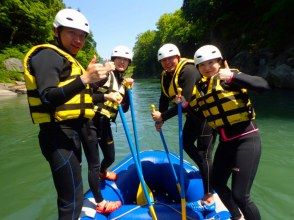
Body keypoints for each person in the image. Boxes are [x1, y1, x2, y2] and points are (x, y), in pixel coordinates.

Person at [23, 8, 121, 219]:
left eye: (82, 36)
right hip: (57, 135)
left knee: (74, 196)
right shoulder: (47, 55)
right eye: (72, 33)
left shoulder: (66, 59)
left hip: (70, 134)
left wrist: (100, 91)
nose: (78, 40)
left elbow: (79, 99)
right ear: (56, 31)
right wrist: (86, 79)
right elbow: (48, 96)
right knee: (71, 201)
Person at [191, 44, 271, 220]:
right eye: (202, 65)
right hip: (226, 143)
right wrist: (165, 115)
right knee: (218, 183)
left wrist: (235, 76)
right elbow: (194, 109)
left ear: (220, 62)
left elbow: (263, 86)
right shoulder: (202, 87)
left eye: (211, 62)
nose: (207, 67)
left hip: (247, 140)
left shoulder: (230, 77)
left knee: (241, 196)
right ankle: (237, 217)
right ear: (198, 68)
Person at [151, 43, 217, 210]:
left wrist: (163, 116)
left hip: (206, 116)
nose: (167, 62)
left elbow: (184, 100)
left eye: (170, 59)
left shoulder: (188, 71)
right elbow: (164, 98)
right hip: (193, 117)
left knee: (204, 153)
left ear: (178, 58)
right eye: (163, 60)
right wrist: (160, 120)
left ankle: (209, 192)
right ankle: (206, 169)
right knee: (186, 144)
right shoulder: (166, 75)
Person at [91, 45, 134, 181]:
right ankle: (98, 194)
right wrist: (106, 96)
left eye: (125, 60)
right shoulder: (104, 76)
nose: (122, 62)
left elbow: (125, 108)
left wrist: (127, 90)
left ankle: (102, 172)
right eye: (119, 59)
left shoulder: (122, 82)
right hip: (90, 122)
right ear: (113, 60)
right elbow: (85, 96)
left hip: (105, 123)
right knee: (94, 160)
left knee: (110, 157)